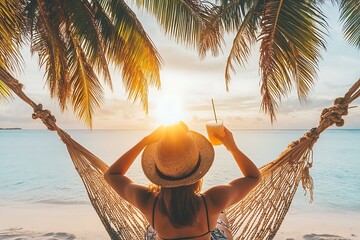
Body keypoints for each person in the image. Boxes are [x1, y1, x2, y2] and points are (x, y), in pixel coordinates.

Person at [104, 122, 261, 240]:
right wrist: (232, 147)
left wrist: (145, 141)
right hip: (210, 216)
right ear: (197, 173)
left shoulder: (147, 201)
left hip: (158, 223)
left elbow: (112, 175)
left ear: (159, 172)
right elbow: (254, 177)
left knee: (151, 230)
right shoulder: (213, 201)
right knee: (220, 216)